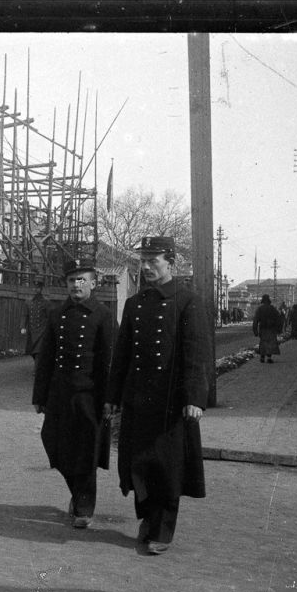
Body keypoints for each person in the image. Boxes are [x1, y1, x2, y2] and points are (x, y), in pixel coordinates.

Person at [107, 235, 207, 554]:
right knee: (139, 464)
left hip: (171, 401)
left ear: (171, 263)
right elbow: (121, 355)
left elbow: (195, 353)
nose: (147, 267)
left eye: (154, 261)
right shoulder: (135, 304)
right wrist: (112, 396)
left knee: (168, 467)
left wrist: (194, 398)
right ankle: (148, 517)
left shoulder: (187, 300)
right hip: (138, 398)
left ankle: (162, 529)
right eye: (143, 261)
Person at [33, 256, 117, 529]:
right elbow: (46, 357)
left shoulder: (103, 315)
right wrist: (40, 395)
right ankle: (77, 492)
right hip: (60, 394)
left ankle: (84, 503)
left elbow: (109, 361)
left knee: (87, 451)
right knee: (54, 443)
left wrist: (109, 398)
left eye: (82, 279)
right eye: (71, 280)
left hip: (89, 396)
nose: (76, 285)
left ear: (93, 282)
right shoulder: (58, 314)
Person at [253, 294, 284, 362]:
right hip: (271, 328)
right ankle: (269, 358)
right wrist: (279, 329)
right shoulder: (273, 308)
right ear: (269, 301)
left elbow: (255, 320)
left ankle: (262, 357)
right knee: (270, 343)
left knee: (263, 342)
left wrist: (255, 330)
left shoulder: (260, 309)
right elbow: (278, 319)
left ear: (263, 301)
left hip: (263, 328)